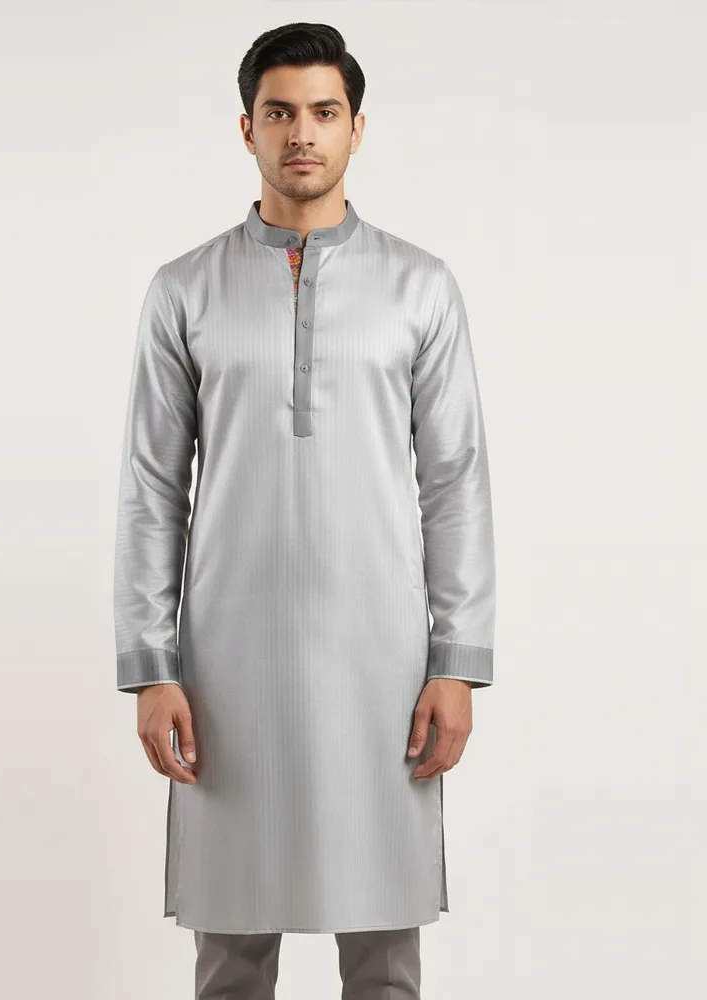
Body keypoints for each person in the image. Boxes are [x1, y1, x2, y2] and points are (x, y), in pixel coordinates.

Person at [113, 20, 496, 999]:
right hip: (226, 669)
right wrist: (152, 667)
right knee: (230, 956)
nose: (302, 134)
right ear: (247, 127)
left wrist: (455, 661)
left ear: (356, 128)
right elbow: (153, 487)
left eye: (323, 112)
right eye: (279, 113)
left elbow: (453, 481)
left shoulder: (420, 287)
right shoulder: (184, 290)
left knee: (384, 957)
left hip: (382, 666)